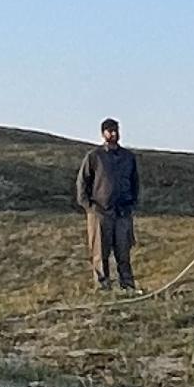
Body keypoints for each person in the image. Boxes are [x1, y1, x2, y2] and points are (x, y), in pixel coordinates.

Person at [74, 119, 140, 291]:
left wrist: (132, 202)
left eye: (116, 130)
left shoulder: (128, 157)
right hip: (100, 212)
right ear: (103, 133)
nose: (114, 134)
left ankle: (127, 286)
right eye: (110, 131)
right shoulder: (94, 157)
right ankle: (103, 288)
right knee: (100, 253)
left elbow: (135, 182)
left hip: (123, 212)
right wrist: (90, 207)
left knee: (123, 252)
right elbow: (82, 183)